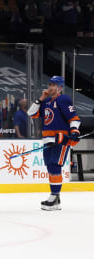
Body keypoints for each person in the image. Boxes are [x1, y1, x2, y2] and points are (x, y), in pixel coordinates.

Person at [27, 76, 81, 210]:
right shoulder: (45, 102)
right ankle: (55, 197)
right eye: (49, 84)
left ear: (60, 87)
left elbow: (74, 117)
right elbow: (31, 113)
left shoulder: (63, 99)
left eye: (53, 85)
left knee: (55, 166)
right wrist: (40, 98)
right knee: (50, 167)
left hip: (60, 139)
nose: (50, 87)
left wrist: (74, 131)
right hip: (47, 139)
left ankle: (55, 196)